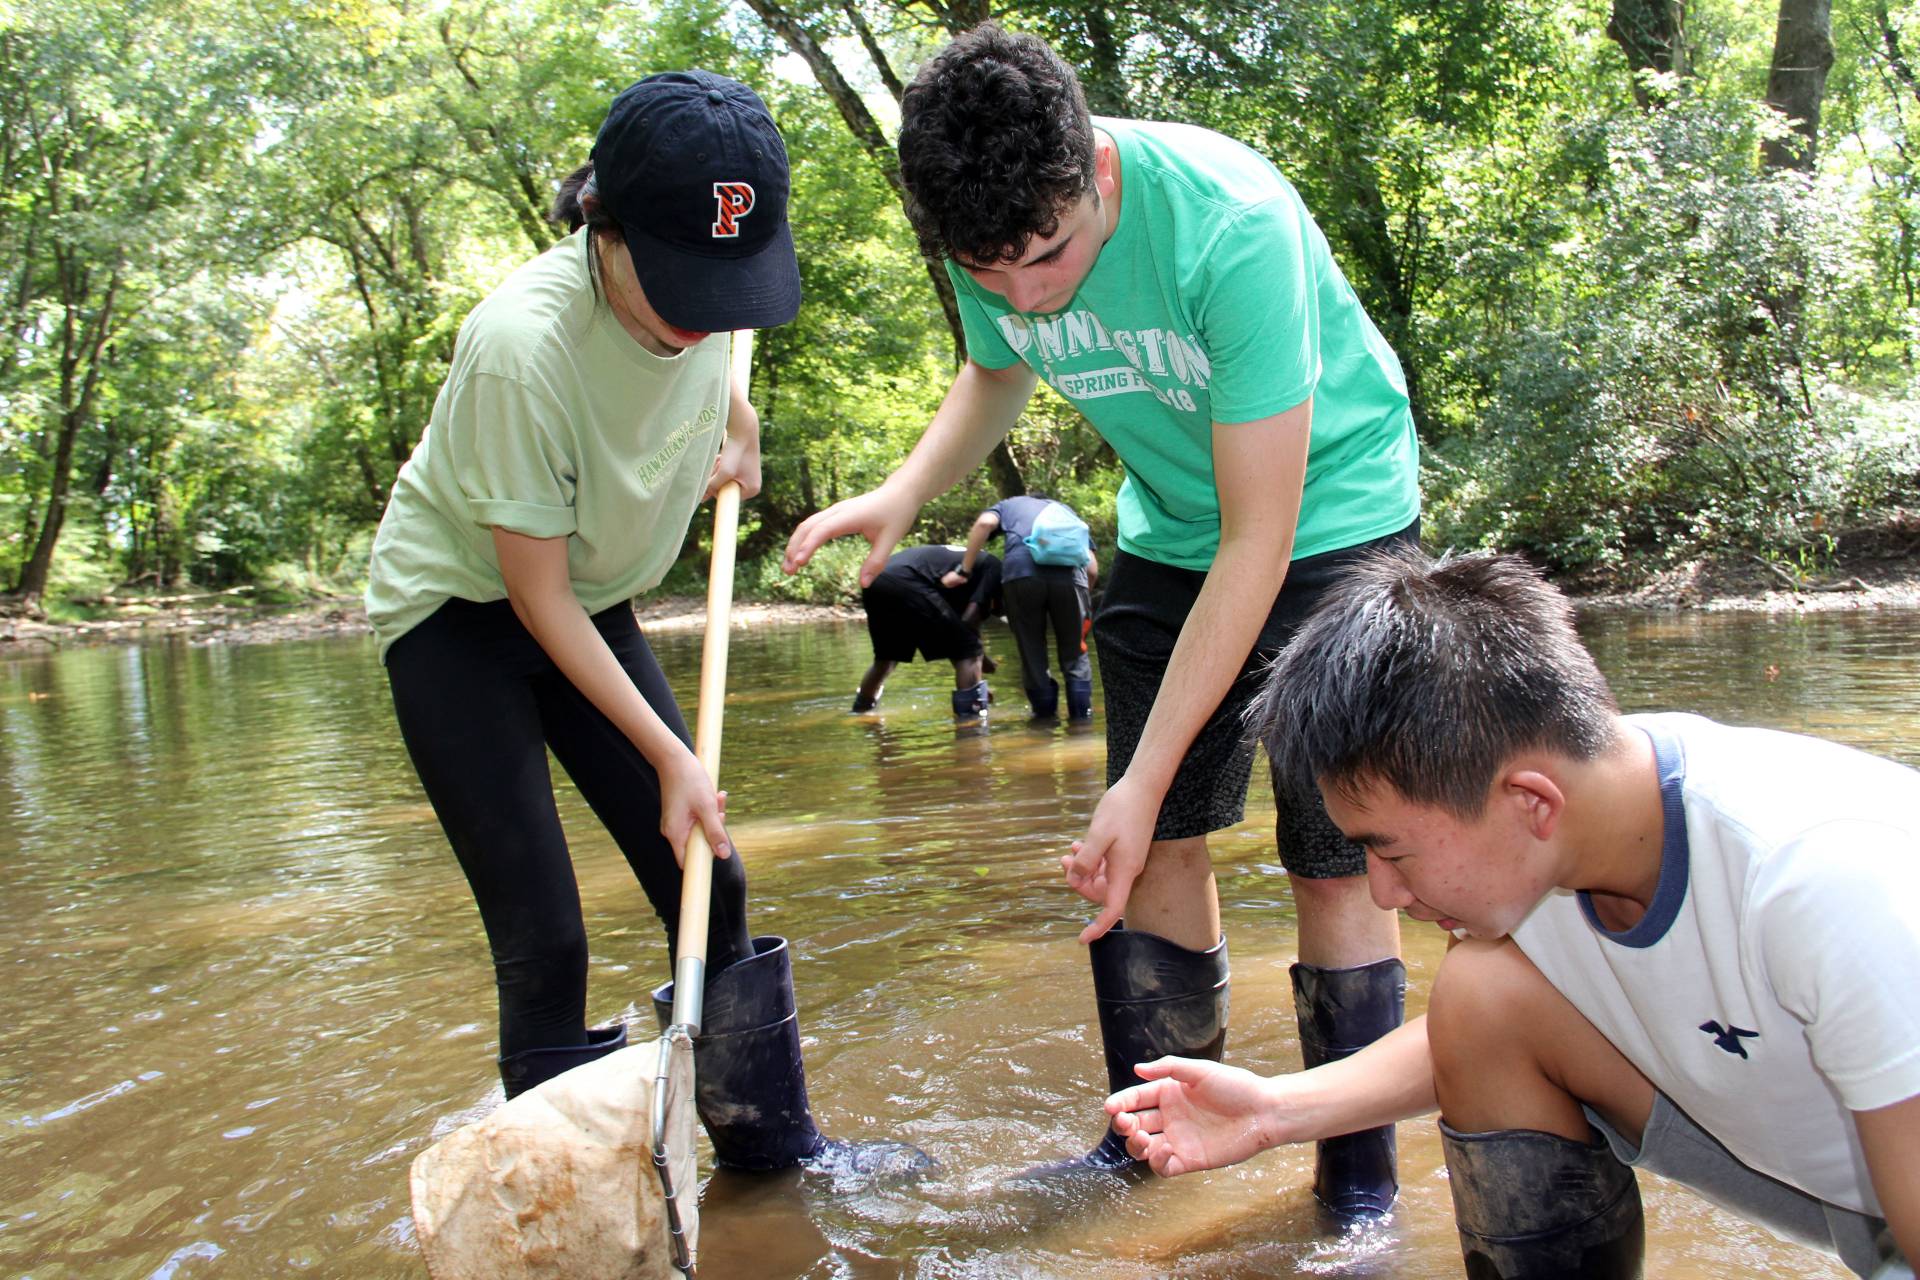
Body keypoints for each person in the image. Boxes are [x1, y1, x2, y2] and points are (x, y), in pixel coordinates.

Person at [781, 24, 1420, 1209]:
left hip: (1331, 518)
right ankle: (1154, 1142)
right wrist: (905, 490)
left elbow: (1262, 538)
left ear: (1097, 170)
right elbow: (996, 369)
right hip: (1176, 530)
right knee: (1153, 839)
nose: (1028, 291)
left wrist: (1138, 770)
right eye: (991, 271)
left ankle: (1358, 1177)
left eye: (1050, 254)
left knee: (1338, 853)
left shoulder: (1229, 223)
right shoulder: (997, 245)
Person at [366, 70, 923, 1178]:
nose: (705, 313)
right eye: (680, 284)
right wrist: (670, 751)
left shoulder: (707, 303)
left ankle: (778, 1159)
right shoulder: (521, 348)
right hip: (462, 619)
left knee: (708, 870)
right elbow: (537, 600)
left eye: (731, 286)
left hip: (589, 598)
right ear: (602, 228)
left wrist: (748, 439)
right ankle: (559, 1199)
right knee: (547, 936)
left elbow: (724, 367)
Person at [1105, 547, 1920, 1279]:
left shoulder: (1825, 879)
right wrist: (1279, 1109)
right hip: (1840, 1192)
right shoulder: (1588, 804)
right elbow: (1470, 1039)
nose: (1383, 894)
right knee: (1481, 994)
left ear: (1531, 801)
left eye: (1391, 852)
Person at [944, 495, 1098, 720]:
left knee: (1032, 650)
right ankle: (1081, 721)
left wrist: (964, 570)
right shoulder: (1065, 511)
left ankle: (1044, 721)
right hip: (1071, 578)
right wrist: (1083, 597)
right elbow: (1092, 567)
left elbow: (984, 524)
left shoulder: (1008, 505)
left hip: (1022, 575)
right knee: (1075, 652)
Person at [854, 544, 1004, 715]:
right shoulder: (994, 568)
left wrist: (978, 675)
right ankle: (971, 722)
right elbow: (970, 624)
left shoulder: (969, 567)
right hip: (907, 579)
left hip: (875, 579)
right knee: (970, 651)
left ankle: (861, 711)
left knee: (886, 658)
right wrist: (978, 677)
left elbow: (957, 633)